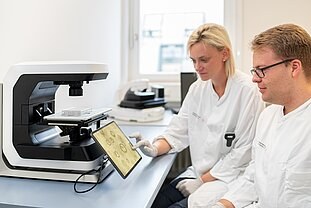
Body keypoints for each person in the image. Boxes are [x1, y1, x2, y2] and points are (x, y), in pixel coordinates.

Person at [131, 23, 264, 208]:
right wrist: (154, 148)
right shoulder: (197, 89)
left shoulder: (248, 91)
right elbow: (178, 130)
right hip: (198, 173)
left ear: (224, 54)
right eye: (193, 61)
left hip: (228, 178)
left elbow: (243, 153)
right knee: (155, 202)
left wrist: (202, 181)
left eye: (203, 60)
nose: (197, 67)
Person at [211, 23, 311, 208]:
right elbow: (254, 176)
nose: (255, 78)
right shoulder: (268, 116)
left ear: (294, 67)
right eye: (254, 71)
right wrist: (224, 204)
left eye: (261, 69)